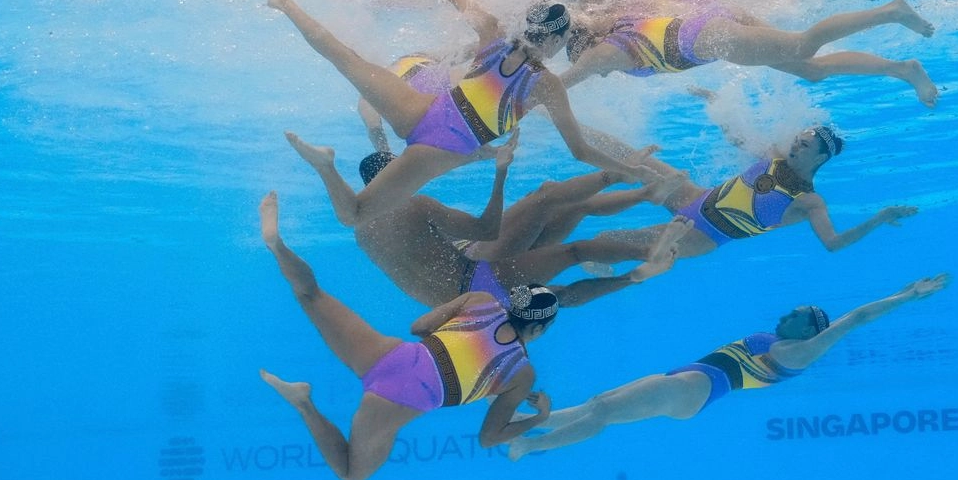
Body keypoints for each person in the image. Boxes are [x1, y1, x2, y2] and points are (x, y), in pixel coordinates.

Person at [265, 0, 657, 226]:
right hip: (439, 150)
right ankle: (325, 164)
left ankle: (285, 4)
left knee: (343, 57)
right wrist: (629, 169)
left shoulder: (492, 36)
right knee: (354, 215)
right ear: (555, 41)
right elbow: (580, 150)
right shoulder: (546, 84)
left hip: (419, 109)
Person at [257, 190, 560, 480]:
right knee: (351, 473)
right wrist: (539, 417)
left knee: (311, 294)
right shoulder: (522, 374)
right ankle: (303, 403)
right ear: (538, 329)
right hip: (395, 403)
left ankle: (275, 244)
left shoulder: (480, 301)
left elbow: (418, 328)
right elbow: (488, 438)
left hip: (390, 354)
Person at [507, 274, 950, 460]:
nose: (783, 317)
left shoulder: (798, 352)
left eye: (793, 315)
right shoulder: (778, 339)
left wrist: (908, 295)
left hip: (696, 388)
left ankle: (530, 447)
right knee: (600, 401)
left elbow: (855, 319)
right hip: (688, 379)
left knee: (604, 413)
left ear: (809, 327)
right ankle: (527, 423)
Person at [273, 129, 693, 311]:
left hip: (456, 300)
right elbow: (488, 231)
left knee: (557, 289)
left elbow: (382, 170)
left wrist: (375, 133)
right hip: (475, 277)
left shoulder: (364, 226)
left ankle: (637, 263)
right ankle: (633, 192)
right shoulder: (413, 204)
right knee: (554, 209)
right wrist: (501, 171)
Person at [582, 122, 917, 259]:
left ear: (820, 157)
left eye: (803, 146)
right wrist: (716, 105)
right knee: (631, 156)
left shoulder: (810, 202)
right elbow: (738, 139)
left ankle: (596, 261)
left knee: (606, 242)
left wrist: (880, 217)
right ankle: (573, 126)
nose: (795, 146)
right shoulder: (775, 155)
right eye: (797, 140)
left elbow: (834, 244)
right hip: (695, 197)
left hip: (703, 235)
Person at [557, 0, 939, 107]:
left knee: (801, 44)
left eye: (586, 61)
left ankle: (889, 12)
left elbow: (556, 87)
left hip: (716, 39)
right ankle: (902, 69)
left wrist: (504, 122)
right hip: (714, 23)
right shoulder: (617, 24)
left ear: (586, 49)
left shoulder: (605, 53)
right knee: (811, 69)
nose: (602, 73)